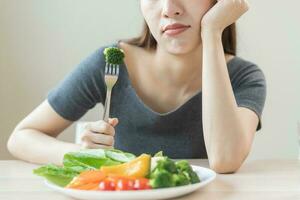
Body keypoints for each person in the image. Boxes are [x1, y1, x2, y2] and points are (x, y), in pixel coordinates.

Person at [7, 0, 266, 173]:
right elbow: (21, 138)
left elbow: (225, 160)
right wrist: (82, 153)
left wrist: (212, 31)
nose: (169, 8)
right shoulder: (110, 62)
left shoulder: (243, 77)